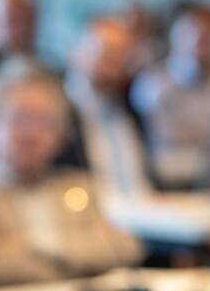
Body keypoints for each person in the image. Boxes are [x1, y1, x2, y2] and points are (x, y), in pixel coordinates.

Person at [0, 63, 143, 284]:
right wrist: (77, 260)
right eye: (20, 117)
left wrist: (31, 246)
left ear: (60, 134)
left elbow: (122, 248)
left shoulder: (78, 187)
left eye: (44, 120)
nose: (31, 133)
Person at [131, 0, 210, 189]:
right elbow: (151, 155)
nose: (198, 41)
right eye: (190, 33)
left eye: (208, 35)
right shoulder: (150, 86)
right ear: (173, 36)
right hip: (165, 190)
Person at [63, 14, 151, 196]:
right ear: (77, 53)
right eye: (107, 54)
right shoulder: (59, 112)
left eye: (123, 57)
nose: (115, 67)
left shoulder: (130, 110)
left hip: (142, 210)